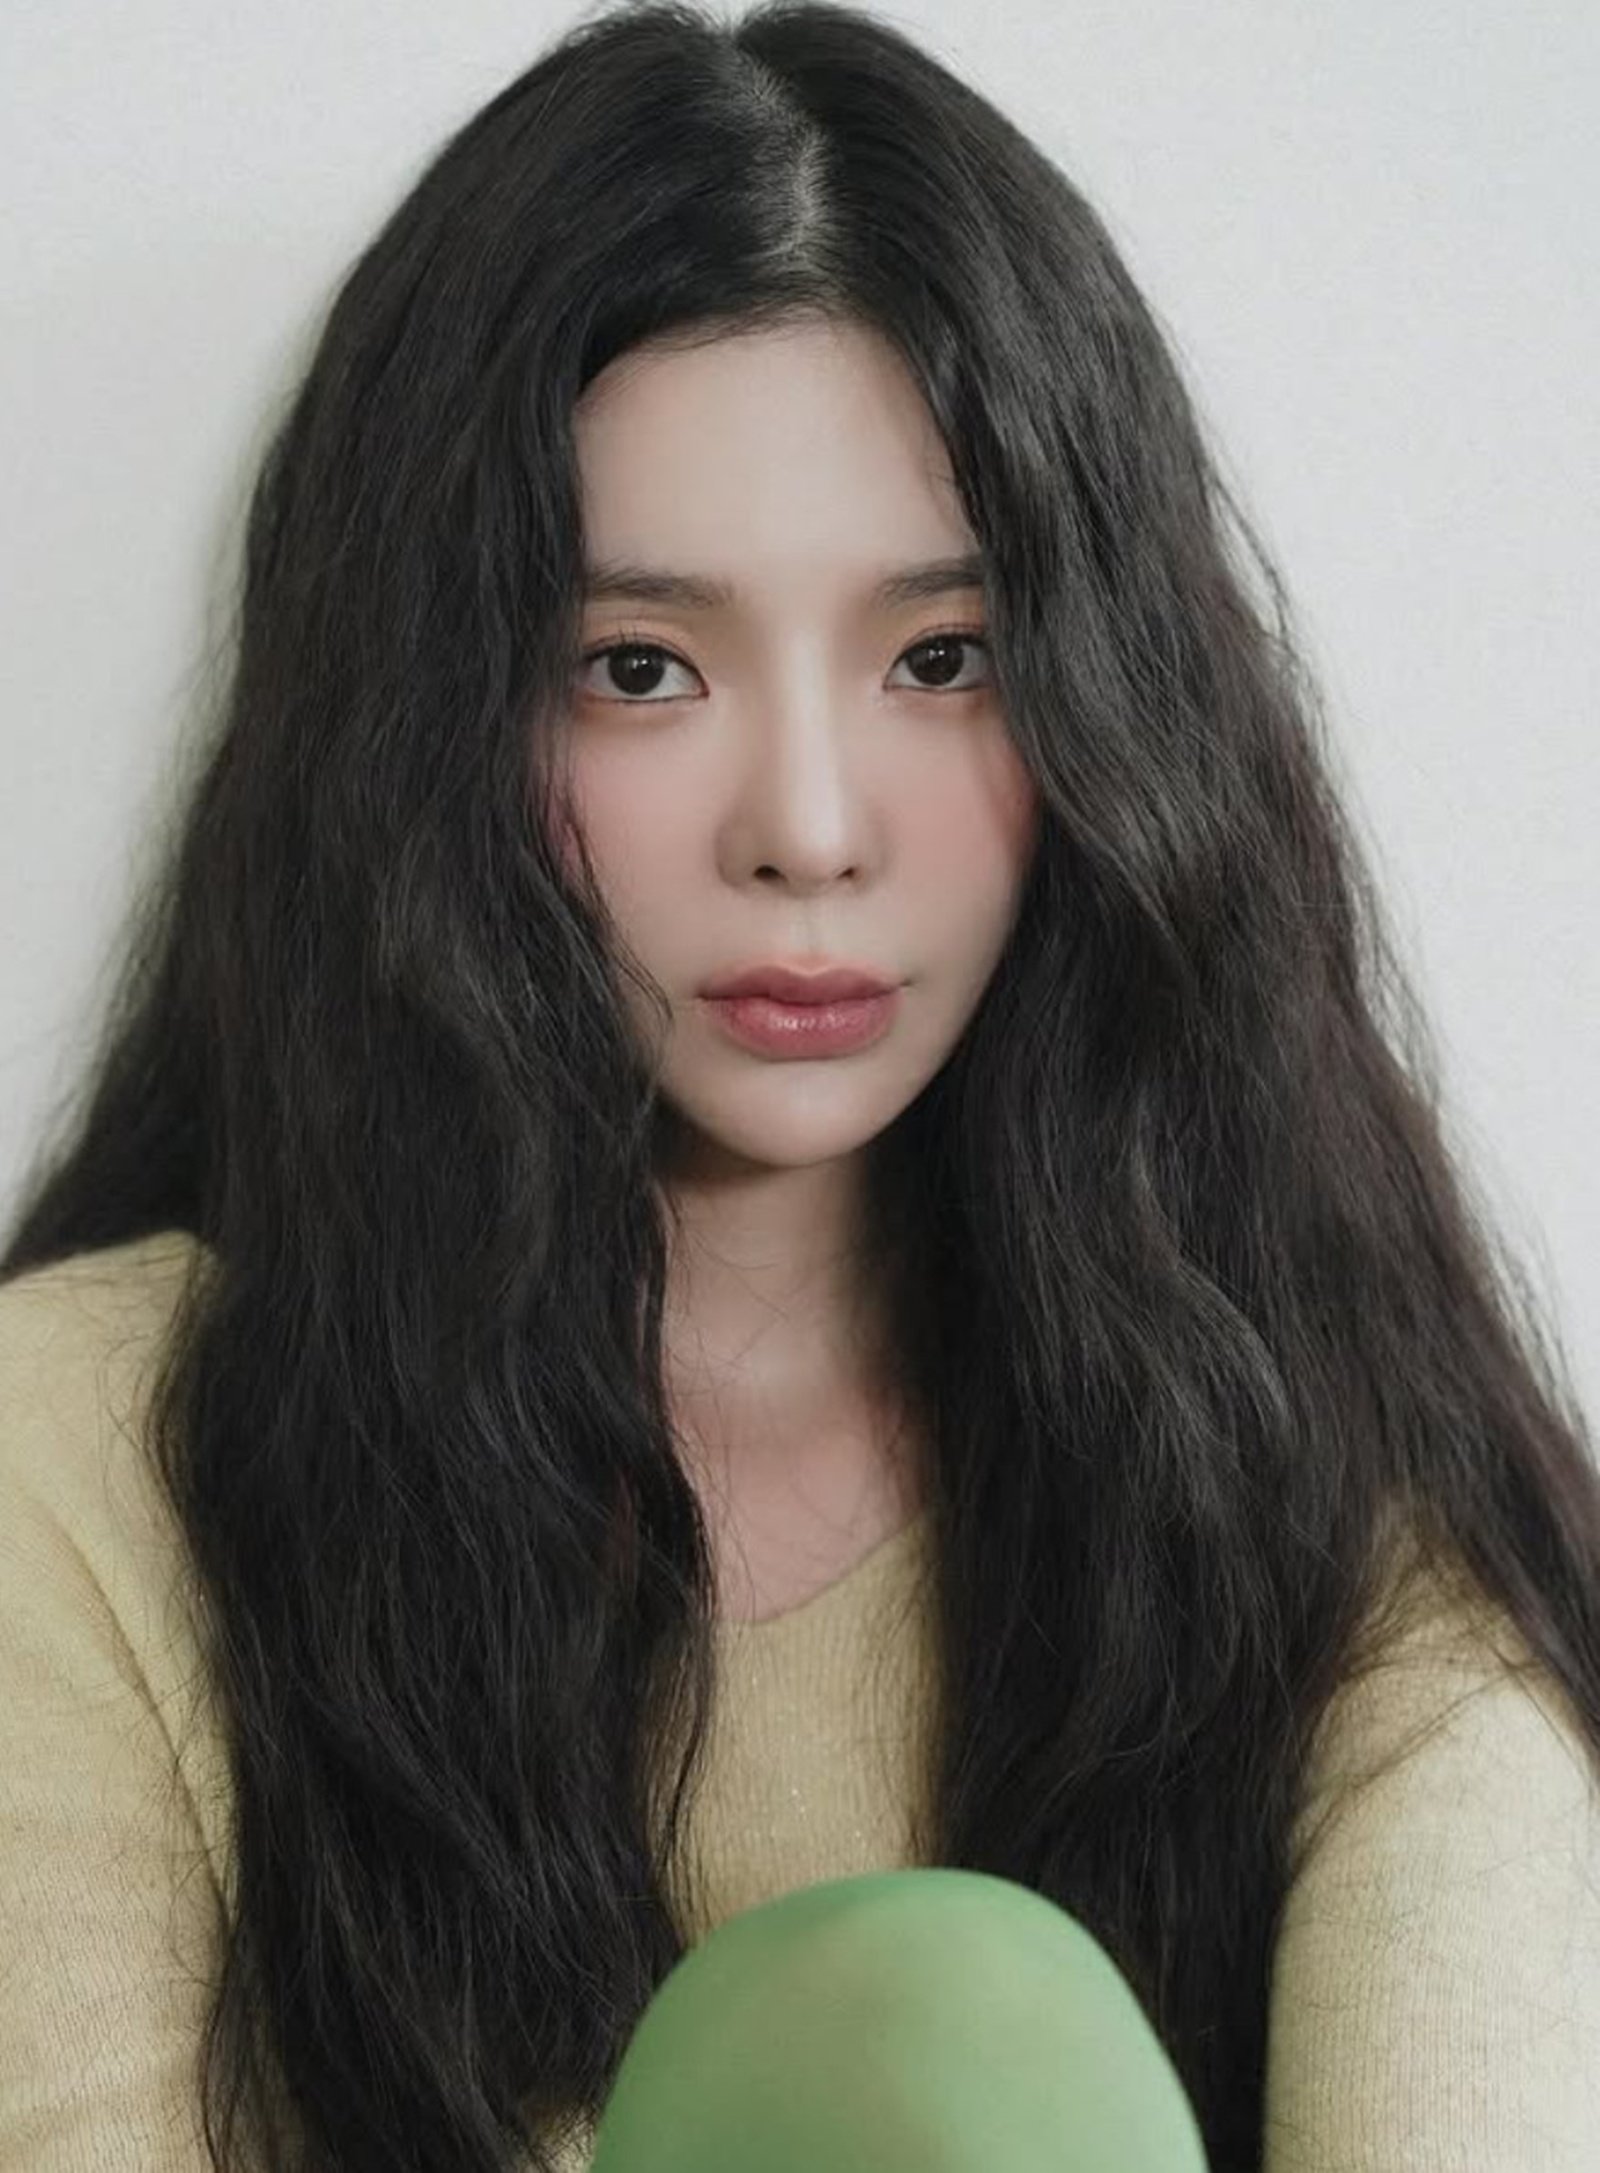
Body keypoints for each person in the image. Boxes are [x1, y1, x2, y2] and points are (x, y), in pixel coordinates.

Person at [2, 1, 1598, 2168]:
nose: (812, 828)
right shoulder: (77, 1474)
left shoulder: (1332, 1506)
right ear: (426, 728)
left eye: (941, 658)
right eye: (636, 667)